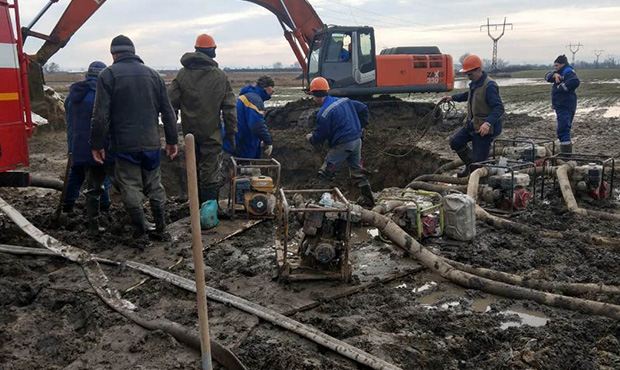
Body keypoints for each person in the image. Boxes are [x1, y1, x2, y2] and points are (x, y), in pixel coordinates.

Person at [91, 35, 178, 245]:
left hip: (124, 145)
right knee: (155, 185)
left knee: (130, 186)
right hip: (151, 143)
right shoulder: (154, 75)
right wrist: (171, 140)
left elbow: (100, 115)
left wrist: (97, 144)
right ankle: (161, 228)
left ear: (113, 54)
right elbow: (168, 112)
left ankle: (141, 233)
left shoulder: (108, 75)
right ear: (133, 51)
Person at [168, 33, 237, 229]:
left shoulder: (182, 74)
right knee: (210, 173)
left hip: (190, 135)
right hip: (211, 134)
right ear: (211, 51)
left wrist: (172, 131)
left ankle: (197, 206)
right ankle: (208, 214)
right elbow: (230, 108)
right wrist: (231, 133)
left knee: (193, 170)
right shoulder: (219, 76)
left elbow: (169, 103)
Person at [305, 77, 374, 207]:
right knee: (358, 172)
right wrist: (362, 125)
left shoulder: (324, 113)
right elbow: (363, 108)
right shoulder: (345, 101)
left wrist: (310, 138)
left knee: (325, 172)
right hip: (357, 141)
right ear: (327, 90)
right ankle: (369, 201)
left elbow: (320, 136)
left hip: (343, 144)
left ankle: (318, 203)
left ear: (315, 95)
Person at [440, 54, 504, 177]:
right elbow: (468, 95)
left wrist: (488, 123)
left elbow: (499, 108)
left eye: (470, 74)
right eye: (467, 74)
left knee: (478, 163)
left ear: (478, 70)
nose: (468, 77)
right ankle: (470, 166)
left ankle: (478, 177)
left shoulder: (489, 86)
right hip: (472, 124)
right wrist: (452, 98)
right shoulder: (475, 83)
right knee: (455, 142)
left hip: (484, 129)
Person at [63, 61, 111, 220]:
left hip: (77, 143)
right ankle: (103, 208)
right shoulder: (102, 94)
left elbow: (69, 121)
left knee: (76, 174)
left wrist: (71, 144)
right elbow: (104, 121)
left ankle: (67, 206)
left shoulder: (73, 95)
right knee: (102, 176)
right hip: (97, 145)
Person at [223, 75, 275, 160]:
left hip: (233, 143)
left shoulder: (248, 97)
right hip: (239, 146)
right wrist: (268, 141)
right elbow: (256, 125)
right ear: (266, 87)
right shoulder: (255, 100)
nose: (273, 90)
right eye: (272, 87)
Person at [545, 54, 580, 155]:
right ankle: (566, 152)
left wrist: (560, 88)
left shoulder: (568, 72)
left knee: (563, 129)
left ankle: (566, 155)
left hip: (565, 105)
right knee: (564, 129)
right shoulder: (559, 72)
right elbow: (547, 77)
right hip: (563, 105)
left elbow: (575, 82)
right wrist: (554, 74)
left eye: (556, 65)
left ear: (562, 64)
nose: (555, 67)